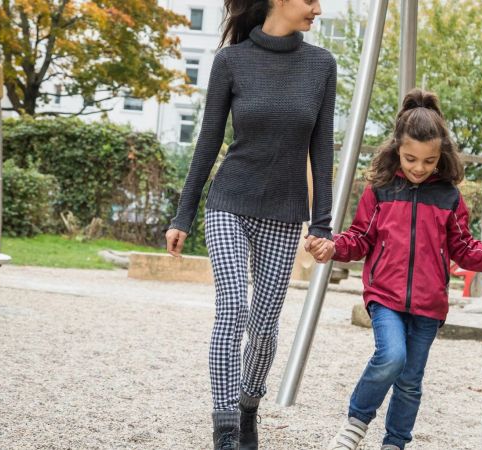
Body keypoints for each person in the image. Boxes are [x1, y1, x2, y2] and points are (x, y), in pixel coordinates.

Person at [163, 0, 335, 448]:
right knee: (233, 309)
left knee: (263, 326)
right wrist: (184, 213)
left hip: (285, 212)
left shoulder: (321, 65)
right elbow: (208, 140)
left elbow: (322, 149)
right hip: (229, 202)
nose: (318, 7)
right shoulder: (230, 61)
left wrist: (322, 224)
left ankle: (247, 406)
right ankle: (224, 430)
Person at [308, 89, 482, 450]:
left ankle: (395, 443)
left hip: (428, 305)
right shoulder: (381, 191)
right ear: (396, 151)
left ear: (441, 156)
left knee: (410, 380)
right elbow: (360, 238)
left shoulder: (449, 197)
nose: (419, 168)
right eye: (410, 159)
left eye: (429, 161)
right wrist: (332, 247)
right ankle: (356, 424)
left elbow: (464, 250)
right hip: (385, 298)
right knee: (391, 357)